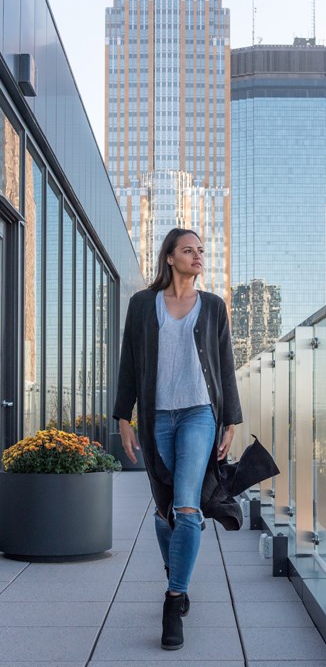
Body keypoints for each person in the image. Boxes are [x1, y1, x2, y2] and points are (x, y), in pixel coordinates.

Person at [113, 228, 243, 650]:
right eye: (189, 250)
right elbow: (130, 363)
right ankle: (178, 576)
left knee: (188, 507)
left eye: (201, 250)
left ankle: (174, 599)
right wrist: (123, 416)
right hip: (156, 418)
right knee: (164, 508)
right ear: (169, 257)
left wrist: (230, 420)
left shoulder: (213, 306)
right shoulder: (141, 306)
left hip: (199, 414)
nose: (198, 255)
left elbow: (225, 365)